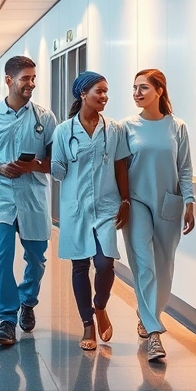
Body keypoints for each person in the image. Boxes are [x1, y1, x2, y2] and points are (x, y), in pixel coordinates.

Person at [0, 55, 58, 346]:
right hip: (1, 196)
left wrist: (32, 165)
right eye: (25, 79)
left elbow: (54, 163)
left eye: (33, 78)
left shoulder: (45, 118)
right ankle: (7, 319)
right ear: (9, 80)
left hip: (33, 196)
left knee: (37, 258)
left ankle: (28, 300)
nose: (31, 84)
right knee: (2, 256)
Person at [50, 71, 131, 351]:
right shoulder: (63, 131)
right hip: (76, 207)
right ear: (83, 94)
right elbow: (59, 170)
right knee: (80, 265)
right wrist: (47, 161)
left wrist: (126, 200)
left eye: (107, 92)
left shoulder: (114, 129)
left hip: (107, 206)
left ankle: (100, 306)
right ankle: (87, 323)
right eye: (100, 91)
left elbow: (121, 165)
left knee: (105, 262)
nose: (105, 97)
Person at [121, 68, 195, 361]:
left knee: (164, 267)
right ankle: (154, 333)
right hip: (136, 202)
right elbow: (119, 167)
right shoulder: (126, 126)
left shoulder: (177, 127)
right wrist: (120, 201)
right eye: (135, 88)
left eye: (143, 88)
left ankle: (147, 312)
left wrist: (189, 201)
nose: (137, 93)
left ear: (159, 91)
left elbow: (185, 167)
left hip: (169, 202)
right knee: (144, 264)